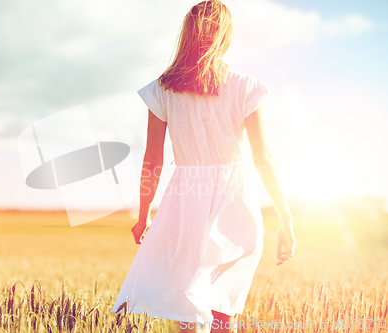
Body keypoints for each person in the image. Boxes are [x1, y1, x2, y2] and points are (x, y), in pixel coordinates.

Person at [111, 1, 296, 332]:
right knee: (222, 305)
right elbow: (263, 159)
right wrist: (286, 218)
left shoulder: (163, 89)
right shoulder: (246, 87)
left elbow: (152, 160)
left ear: (187, 34)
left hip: (186, 199)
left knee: (189, 302)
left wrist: (144, 215)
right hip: (235, 197)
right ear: (224, 36)